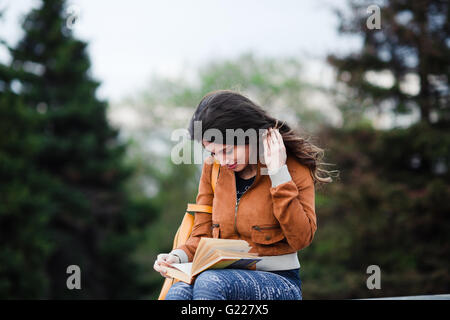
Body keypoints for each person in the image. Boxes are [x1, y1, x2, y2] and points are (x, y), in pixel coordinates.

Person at [154, 89, 334, 300]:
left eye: (227, 150)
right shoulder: (213, 169)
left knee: (210, 283)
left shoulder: (291, 166)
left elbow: (301, 238)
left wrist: (278, 173)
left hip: (279, 282)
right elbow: (202, 235)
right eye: (214, 153)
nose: (222, 160)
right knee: (178, 293)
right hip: (217, 277)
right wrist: (176, 257)